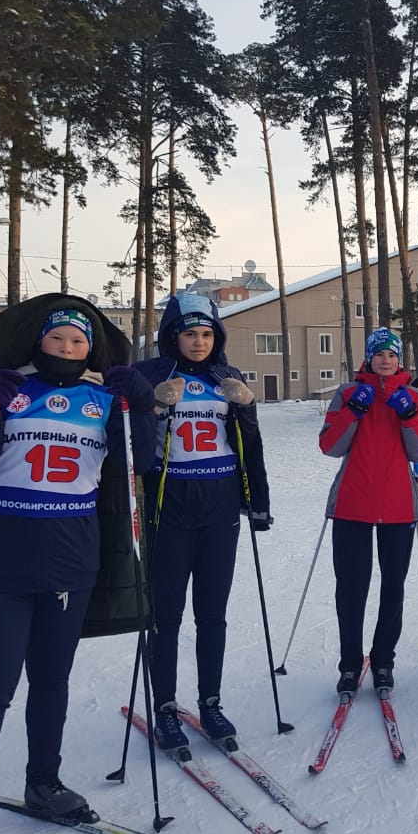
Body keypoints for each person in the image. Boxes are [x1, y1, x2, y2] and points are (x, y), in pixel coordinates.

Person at [0, 302, 155, 834]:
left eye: (77, 342)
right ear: (41, 343)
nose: (67, 348)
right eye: (58, 339)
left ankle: (44, 782)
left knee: (52, 681)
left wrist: (140, 404)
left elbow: (145, 458)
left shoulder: (102, 398)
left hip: (71, 561)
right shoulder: (11, 390)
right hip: (2, 562)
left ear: (91, 349)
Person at [134, 294, 271, 752]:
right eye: (189, 334)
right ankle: (166, 707)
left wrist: (248, 407)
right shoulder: (151, 375)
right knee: (166, 615)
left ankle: (210, 703)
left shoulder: (225, 377)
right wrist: (149, 409)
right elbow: (129, 447)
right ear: (173, 335)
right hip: (167, 508)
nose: (198, 342)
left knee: (213, 613)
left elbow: (249, 445)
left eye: (207, 334)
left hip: (219, 506)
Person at [319, 327, 418, 695]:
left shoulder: (414, 398)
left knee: (393, 589)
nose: (386, 360)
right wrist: (353, 411)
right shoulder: (348, 393)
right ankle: (350, 666)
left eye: (392, 354)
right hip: (353, 504)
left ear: (400, 359)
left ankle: (383, 661)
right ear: (368, 358)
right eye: (379, 354)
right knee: (351, 590)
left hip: (398, 506)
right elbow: (330, 445)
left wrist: (407, 417)